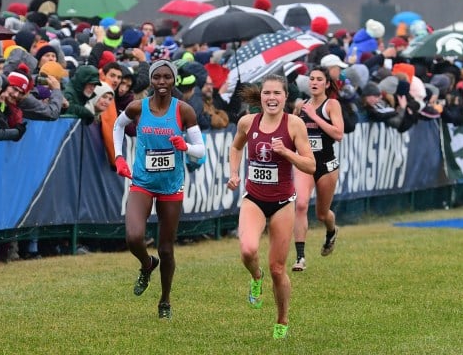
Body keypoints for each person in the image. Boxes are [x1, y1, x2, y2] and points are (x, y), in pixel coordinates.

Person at [112, 60, 205, 319]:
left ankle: (165, 300)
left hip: (171, 187)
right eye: (157, 77)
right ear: (151, 80)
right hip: (142, 182)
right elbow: (117, 126)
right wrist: (119, 157)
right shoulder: (137, 108)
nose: (162, 82)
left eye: (167, 77)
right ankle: (146, 264)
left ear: (173, 80)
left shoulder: (184, 111)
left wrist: (185, 146)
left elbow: (201, 149)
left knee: (166, 248)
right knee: (133, 237)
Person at [226, 74, 315, 339]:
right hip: (253, 199)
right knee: (248, 250)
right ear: (261, 97)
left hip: (282, 204)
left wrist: (286, 153)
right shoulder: (247, 122)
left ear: (286, 97)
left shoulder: (294, 125)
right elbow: (235, 147)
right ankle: (256, 277)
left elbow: (310, 165)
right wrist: (234, 173)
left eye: (277, 93)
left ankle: (282, 319)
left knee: (278, 269)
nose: (272, 98)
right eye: (267, 93)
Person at [291, 66, 344, 272]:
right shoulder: (301, 106)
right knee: (301, 204)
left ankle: (331, 231)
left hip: (327, 165)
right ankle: (300, 257)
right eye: (311, 79)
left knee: (322, 214)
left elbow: (338, 134)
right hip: (305, 164)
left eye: (319, 79)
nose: (314, 82)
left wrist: (315, 115)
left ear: (327, 84)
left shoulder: (331, 105)